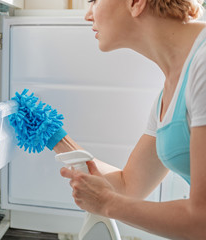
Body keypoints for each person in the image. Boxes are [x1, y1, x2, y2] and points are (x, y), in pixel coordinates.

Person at [60, 0, 206, 239]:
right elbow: (129, 186)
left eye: (94, 1)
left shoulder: (203, 64)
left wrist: (107, 204)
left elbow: (202, 220)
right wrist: (51, 133)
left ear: (136, 3)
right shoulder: (171, 88)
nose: (88, 15)